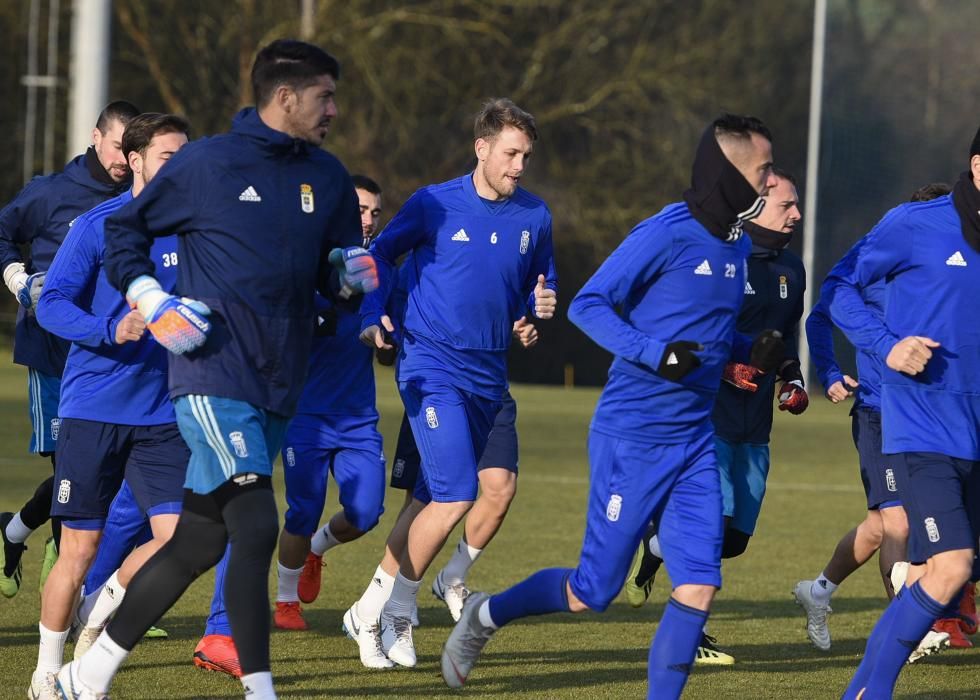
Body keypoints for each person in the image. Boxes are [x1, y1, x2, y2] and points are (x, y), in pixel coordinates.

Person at [56, 40, 375, 700]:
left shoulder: (331, 178)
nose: (334, 110)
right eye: (325, 97)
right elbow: (125, 234)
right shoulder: (207, 164)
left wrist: (349, 280)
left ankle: (84, 677)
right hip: (211, 377)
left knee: (196, 542)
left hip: (280, 385)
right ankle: (261, 688)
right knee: (256, 523)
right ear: (285, 98)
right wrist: (153, 299)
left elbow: (332, 280)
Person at [440, 114, 778, 699]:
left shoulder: (738, 245)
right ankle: (486, 616)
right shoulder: (665, 234)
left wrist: (753, 349)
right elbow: (589, 305)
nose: (771, 183)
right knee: (590, 594)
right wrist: (657, 355)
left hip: (695, 440)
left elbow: (706, 340)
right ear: (728, 175)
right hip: (633, 438)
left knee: (698, 586)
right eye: (763, 171)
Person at [352, 97, 557, 669]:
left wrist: (536, 312)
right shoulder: (433, 203)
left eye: (526, 156)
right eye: (511, 153)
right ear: (482, 147)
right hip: (431, 366)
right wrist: (373, 318)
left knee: (475, 491)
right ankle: (393, 613)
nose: (519, 165)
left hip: (490, 375)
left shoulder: (535, 217)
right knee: (453, 494)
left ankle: (380, 605)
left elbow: (537, 288)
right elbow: (379, 257)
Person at [191, 175, 389, 679]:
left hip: (358, 416)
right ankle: (279, 603)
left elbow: (382, 320)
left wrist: (384, 335)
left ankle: (315, 552)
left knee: (367, 510)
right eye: (360, 209)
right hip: (301, 413)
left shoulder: (377, 267)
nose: (367, 219)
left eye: (374, 212)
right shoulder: (310, 263)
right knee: (295, 511)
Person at [27, 112, 191, 700]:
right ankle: (47, 669)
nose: (183, 167)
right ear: (137, 159)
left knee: (181, 539)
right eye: (171, 156)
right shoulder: (98, 226)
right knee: (80, 547)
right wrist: (107, 330)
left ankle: (100, 605)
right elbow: (51, 306)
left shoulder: (196, 231)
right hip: (95, 409)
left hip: (165, 416)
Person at [625, 167, 807, 665]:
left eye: (796, 205)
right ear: (756, 206)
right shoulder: (724, 258)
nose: (796, 214)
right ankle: (692, 634)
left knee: (735, 539)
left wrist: (791, 379)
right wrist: (723, 366)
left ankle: (653, 549)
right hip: (706, 418)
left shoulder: (793, 269)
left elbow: (784, 338)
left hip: (755, 426)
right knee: (708, 525)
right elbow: (689, 328)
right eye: (786, 205)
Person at [834, 127, 980, 699]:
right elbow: (840, 286)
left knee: (938, 576)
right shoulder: (915, 224)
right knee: (951, 567)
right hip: (921, 426)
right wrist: (886, 343)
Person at [792, 184, 952, 655]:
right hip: (880, 412)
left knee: (882, 526)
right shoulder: (874, 256)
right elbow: (820, 317)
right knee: (900, 522)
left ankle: (818, 589)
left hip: (931, 416)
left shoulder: (948, 267)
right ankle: (910, 631)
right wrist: (828, 371)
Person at [0, 101, 140, 599]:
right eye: (119, 146)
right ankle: (77, 597)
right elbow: (2, 232)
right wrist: (16, 277)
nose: (126, 158)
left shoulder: (143, 203)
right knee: (72, 471)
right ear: (96, 136)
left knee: (111, 476)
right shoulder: (51, 193)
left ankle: (14, 531)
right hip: (52, 353)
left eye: (133, 149)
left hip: (114, 359)